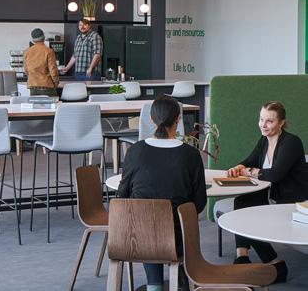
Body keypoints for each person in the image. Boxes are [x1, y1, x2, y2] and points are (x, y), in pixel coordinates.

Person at [117, 95, 206, 291]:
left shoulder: (135, 151)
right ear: (178, 119)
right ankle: (182, 275)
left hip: (136, 238)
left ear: (151, 119)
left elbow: (122, 196)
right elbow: (199, 203)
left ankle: (154, 285)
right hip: (178, 238)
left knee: (146, 219)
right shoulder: (190, 154)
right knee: (178, 220)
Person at [225, 101, 308, 282]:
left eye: (269, 121)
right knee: (242, 202)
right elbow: (250, 159)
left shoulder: (291, 142)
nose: (263, 125)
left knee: (248, 213)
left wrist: (251, 172)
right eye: (261, 119)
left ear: (281, 123)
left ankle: (271, 262)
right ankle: (243, 256)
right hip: (273, 194)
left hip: (290, 199)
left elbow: (276, 174)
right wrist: (238, 167)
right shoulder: (264, 140)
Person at [23, 28, 59, 97]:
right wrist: (56, 83)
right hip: (47, 86)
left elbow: (26, 70)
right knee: (51, 104)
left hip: (33, 86)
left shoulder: (26, 52)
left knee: (35, 104)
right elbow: (53, 70)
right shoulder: (49, 51)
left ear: (33, 40)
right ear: (44, 37)